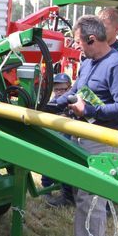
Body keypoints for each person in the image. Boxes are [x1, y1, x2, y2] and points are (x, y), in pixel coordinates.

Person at [54, 15, 118, 236]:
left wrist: (89, 109)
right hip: (84, 134)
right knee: (89, 198)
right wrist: (52, 104)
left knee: (90, 200)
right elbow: (76, 91)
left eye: (78, 41)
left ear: (92, 39)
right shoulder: (88, 62)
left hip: (102, 140)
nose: (76, 46)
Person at [42, 73, 75, 207]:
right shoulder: (51, 103)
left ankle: (66, 193)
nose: (59, 92)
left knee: (67, 165)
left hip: (68, 139)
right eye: (56, 89)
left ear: (70, 88)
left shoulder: (72, 102)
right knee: (48, 162)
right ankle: (46, 188)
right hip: (54, 138)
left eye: (63, 89)